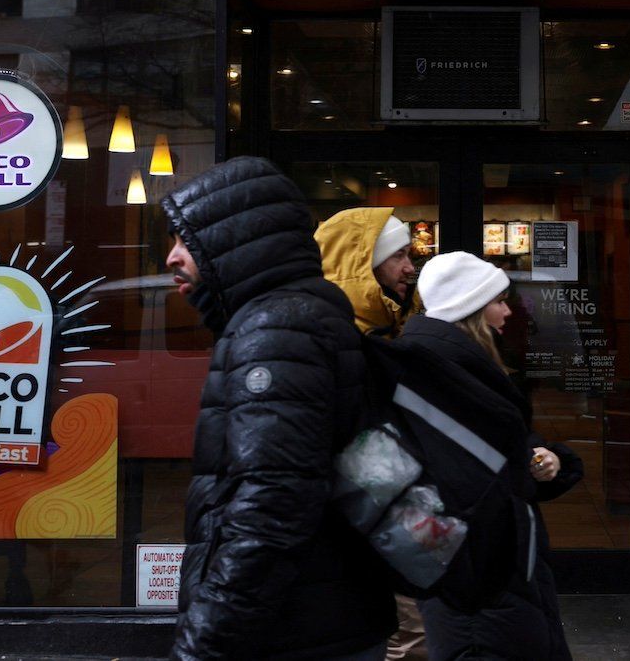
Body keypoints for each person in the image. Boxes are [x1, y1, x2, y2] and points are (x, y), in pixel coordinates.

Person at [163, 157, 396, 660]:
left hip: (294, 630)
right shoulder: (298, 314)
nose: (172, 257)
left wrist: (208, 638)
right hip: (323, 614)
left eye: (186, 241)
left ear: (231, 242)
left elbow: (272, 503)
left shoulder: (274, 329)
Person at [395, 251, 582, 661]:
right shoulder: (440, 370)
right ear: (472, 311)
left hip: (487, 567)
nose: (508, 311)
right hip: (480, 571)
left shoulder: (456, 364)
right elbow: (469, 476)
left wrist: (548, 459)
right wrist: (530, 467)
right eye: (499, 301)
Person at [315, 207, 426, 659]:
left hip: (391, 516)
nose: (410, 268)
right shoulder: (338, 337)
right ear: (362, 261)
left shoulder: (387, 329)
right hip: (371, 521)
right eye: (398, 255)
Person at [315, 207, 416, 338]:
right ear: (365, 265)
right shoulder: (330, 336)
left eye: (409, 255)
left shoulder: (394, 324)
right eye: (398, 255)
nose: (410, 268)